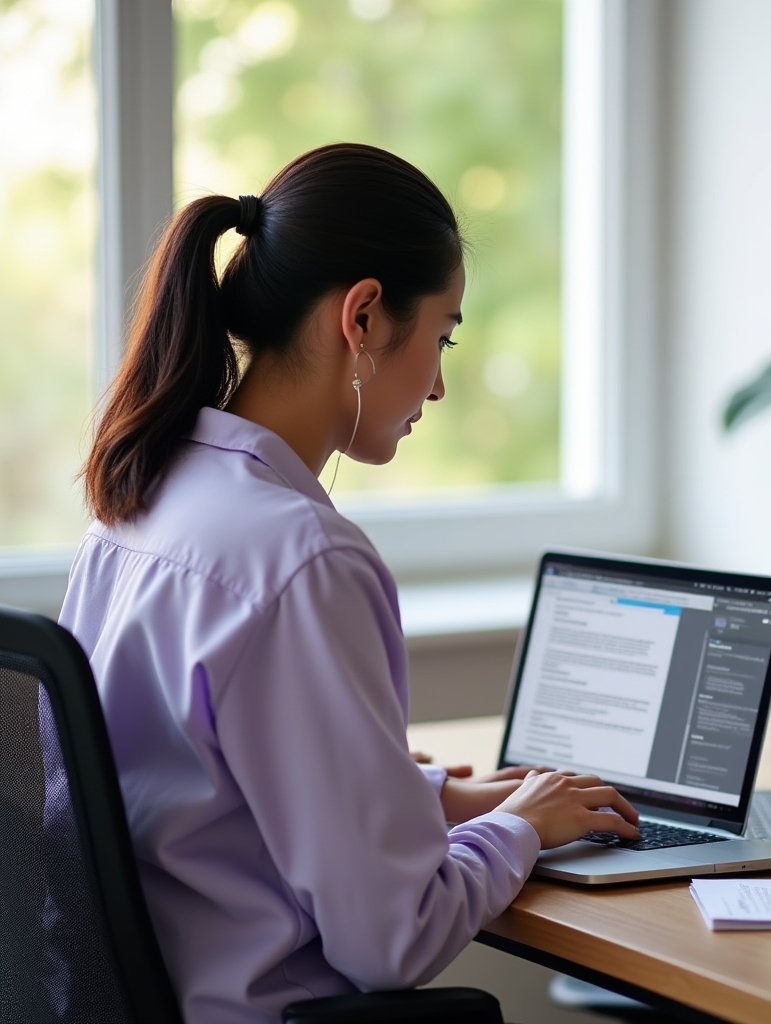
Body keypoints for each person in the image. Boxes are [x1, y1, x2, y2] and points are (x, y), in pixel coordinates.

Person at [59, 143, 639, 1024]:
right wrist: (517, 830)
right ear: (363, 316)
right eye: (441, 337)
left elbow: (201, 788)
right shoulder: (305, 560)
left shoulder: (138, 503)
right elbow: (391, 942)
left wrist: (442, 799)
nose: (439, 386)